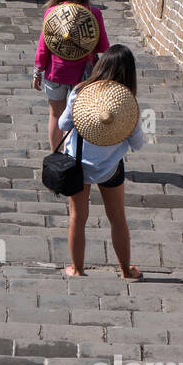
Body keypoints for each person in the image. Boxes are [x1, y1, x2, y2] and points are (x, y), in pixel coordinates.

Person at [57, 45, 144, 281]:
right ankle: (126, 271)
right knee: (117, 218)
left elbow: (63, 125)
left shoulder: (79, 92)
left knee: (77, 217)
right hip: (110, 168)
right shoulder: (128, 103)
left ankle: (77, 269)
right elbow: (138, 143)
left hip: (77, 165)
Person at [34, 0, 110, 151]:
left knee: (55, 114)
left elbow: (44, 46)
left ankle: (55, 155)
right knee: (80, 117)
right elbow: (103, 47)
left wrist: (38, 70)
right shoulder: (93, 13)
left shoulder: (52, 12)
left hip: (56, 72)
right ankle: (76, 154)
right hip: (83, 74)